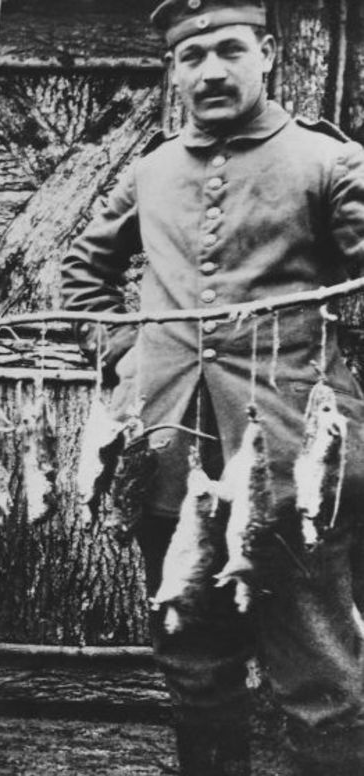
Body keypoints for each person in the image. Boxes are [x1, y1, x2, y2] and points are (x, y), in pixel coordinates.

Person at [61, 2, 364, 774]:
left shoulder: (328, 163)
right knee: (196, 668)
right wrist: (132, 356)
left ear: (266, 53)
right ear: (174, 70)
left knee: (322, 680)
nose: (212, 71)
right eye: (192, 58)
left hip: (294, 462)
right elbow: (82, 274)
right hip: (171, 457)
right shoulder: (152, 169)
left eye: (230, 50)